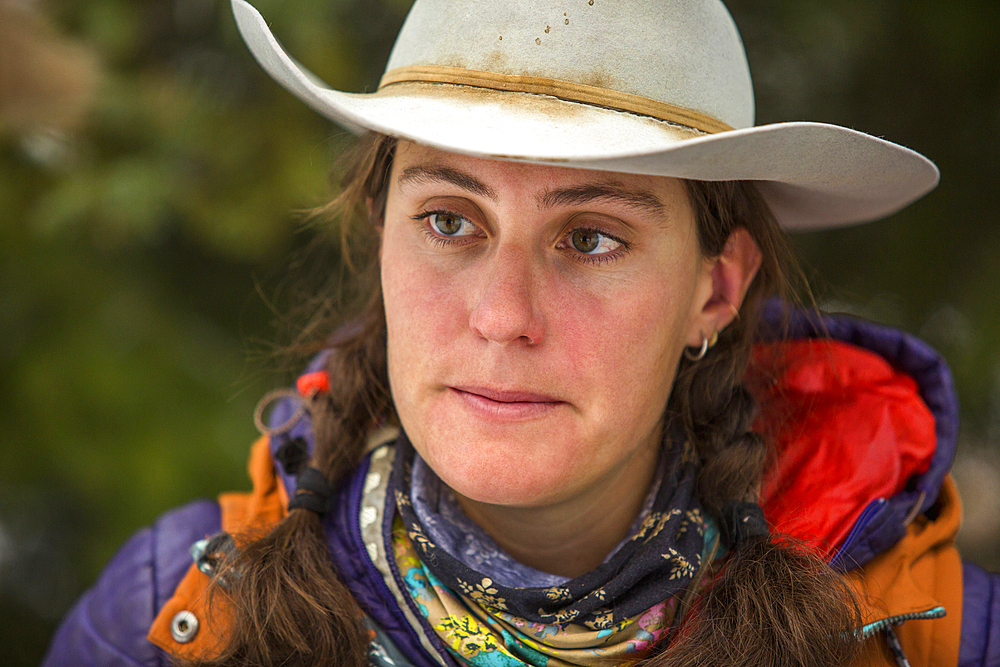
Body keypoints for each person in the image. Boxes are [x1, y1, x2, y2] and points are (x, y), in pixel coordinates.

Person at [43, 0, 1000, 666]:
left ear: (714, 290)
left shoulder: (928, 635)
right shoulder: (175, 612)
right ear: (383, 240)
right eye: (450, 221)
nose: (502, 315)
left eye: (590, 238)